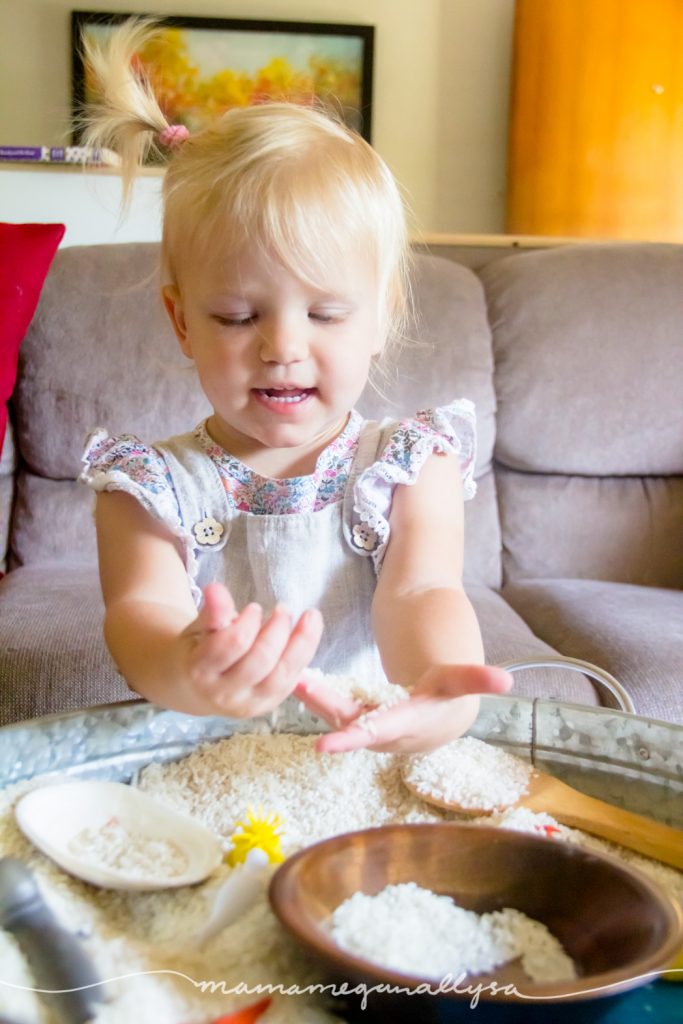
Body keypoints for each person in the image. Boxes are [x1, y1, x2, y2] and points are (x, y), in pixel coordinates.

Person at [80, 19, 512, 754]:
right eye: (236, 315)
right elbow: (139, 613)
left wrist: (438, 693)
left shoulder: (410, 464)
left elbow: (420, 593)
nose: (282, 347)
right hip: (212, 761)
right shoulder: (147, 487)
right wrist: (187, 669)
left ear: (379, 320)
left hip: (364, 752)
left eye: (325, 313)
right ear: (182, 323)